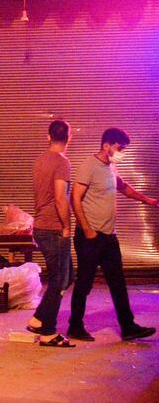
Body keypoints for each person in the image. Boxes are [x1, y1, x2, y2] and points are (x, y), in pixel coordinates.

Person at [67, 127, 158, 342]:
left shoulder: (111, 167)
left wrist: (147, 200)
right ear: (106, 145)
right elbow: (75, 198)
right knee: (85, 282)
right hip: (90, 236)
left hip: (108, 236)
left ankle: (128, 327)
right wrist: (87, 229)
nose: (122, 152)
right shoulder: (89, 166)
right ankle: (75, 326)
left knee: (117, 282)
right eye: (120, 148)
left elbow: (123, 186)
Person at [27, 120, 75, 347]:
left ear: (48, 137)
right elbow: (60, 197)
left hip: (40, 226)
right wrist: (66, 226)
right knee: (59, 280)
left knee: (66, 276)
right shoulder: (62, 163)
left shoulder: (39, 160)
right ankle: (48, 331)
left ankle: (38, 319)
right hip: (54, 228)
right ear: (69, 138)